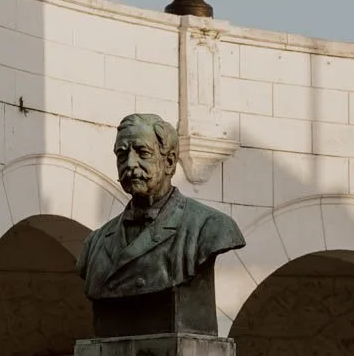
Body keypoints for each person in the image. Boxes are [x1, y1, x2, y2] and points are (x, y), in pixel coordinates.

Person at [76, 113, 245, 302]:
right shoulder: (95, 243)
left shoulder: (209, 227)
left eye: (143, 153)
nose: (130, 164)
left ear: (170, 161)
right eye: (122, 155)